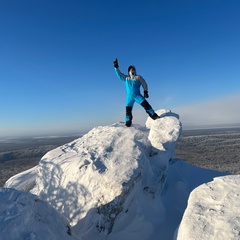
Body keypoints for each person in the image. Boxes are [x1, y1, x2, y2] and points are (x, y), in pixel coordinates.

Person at [113, 58, 159, 127]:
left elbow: (144, 83)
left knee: (146, 105)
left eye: (133, 69)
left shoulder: (138, 77)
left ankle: (154, 115)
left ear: (135, 70)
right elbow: (119, 74)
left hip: (137, 95)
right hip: (129, 97)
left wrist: (145, 91)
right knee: (128, 111)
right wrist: (116, 67)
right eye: (130, 69)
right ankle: (128, 123)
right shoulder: (126, 78)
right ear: (128, 71)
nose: (132, 70)